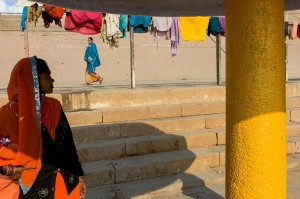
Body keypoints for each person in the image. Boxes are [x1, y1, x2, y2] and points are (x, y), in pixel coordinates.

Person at [0, 56, 87, 199]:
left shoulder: (54, 106)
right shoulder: (6, 115)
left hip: (63, 183)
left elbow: (68, 146)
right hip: (27, 188)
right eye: (47, 76)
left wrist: (80, 176)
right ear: (31, 81)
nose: (52, 81)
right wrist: (10, 170)